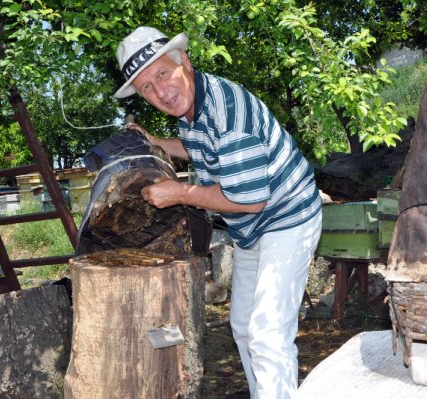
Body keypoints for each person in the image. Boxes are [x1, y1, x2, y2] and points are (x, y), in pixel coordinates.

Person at [114, 27, 323, 399]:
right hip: (253, 228)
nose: (160, 91)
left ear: (185, 63)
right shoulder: (192, 107)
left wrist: (180, 193)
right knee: (243, 326)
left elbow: (249, 199)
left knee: (268, 333)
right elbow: (200, 146)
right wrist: (158, 144)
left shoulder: (229, 114)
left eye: (162, 74)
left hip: (286, 214)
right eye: (147, 86)